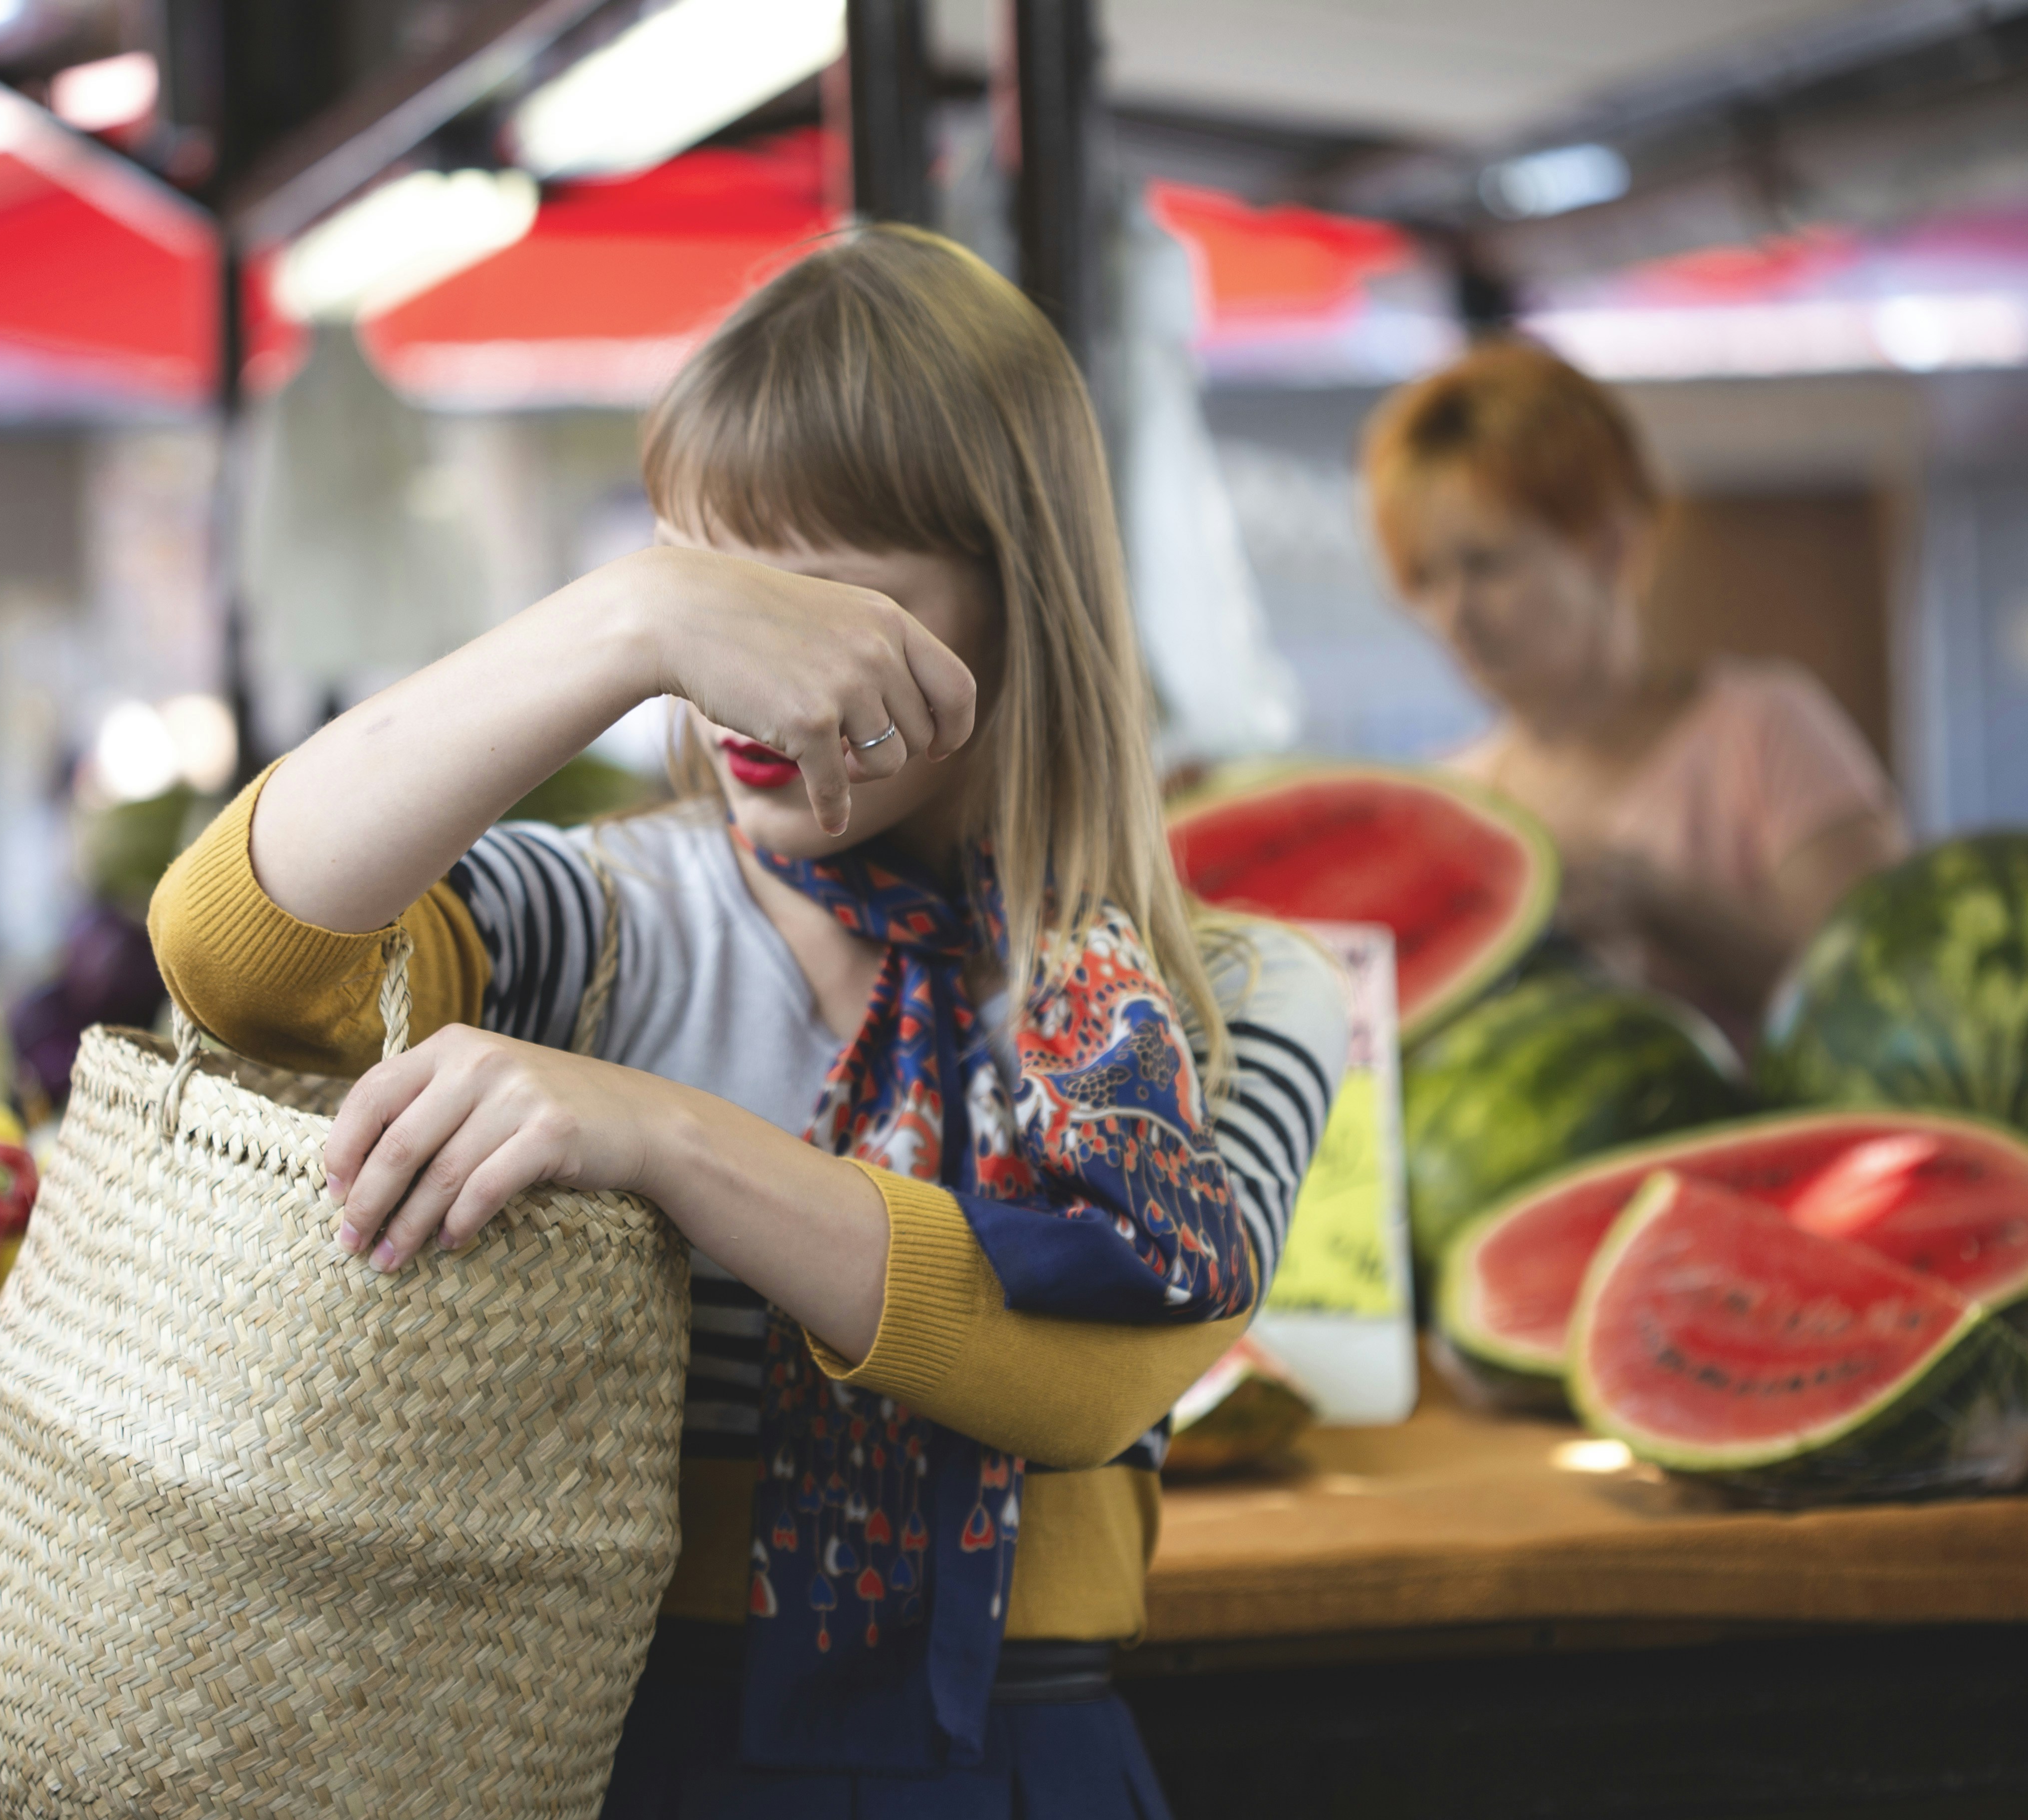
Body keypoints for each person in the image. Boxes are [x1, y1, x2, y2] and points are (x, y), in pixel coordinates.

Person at [150, 225, 1348, 1814]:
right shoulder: (598, 924)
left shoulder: (1232, 1001)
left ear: (1014, 603)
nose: (748, 678)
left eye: (830, 594)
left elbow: (1088, 1382)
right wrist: (621, 622)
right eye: (716, 587)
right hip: (616, 1750)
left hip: (1029, 1768)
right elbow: (235, 955)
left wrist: (661, 1135)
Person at [1360, 339, 1908, 1040]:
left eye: (1487, 565)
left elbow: (1882, 998)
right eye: (1425, 579)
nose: (1453, 616)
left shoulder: (1765, 728)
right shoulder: (1449, 798)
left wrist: (1666, 908)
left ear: (1608, 545)